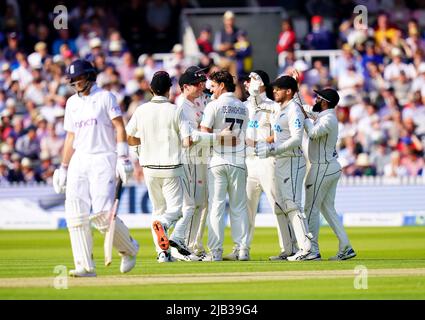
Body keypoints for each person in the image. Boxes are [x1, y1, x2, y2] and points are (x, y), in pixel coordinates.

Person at [126, 71, 234, 263]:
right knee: (179, 210)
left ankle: (162, 253)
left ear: (151, 89)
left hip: (148, 168)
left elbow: (130, 136)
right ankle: (169, 231)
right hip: (172, 166)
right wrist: (218, 137)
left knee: (158, 209)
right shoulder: (175, 110)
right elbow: (187, 141)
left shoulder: (141, 110)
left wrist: (139, 151)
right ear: (169, 89)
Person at [52, 59, 139, 277]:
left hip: (103, 157)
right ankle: (85, 266)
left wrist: (123, 158)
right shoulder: (72, 103)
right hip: (79, 159)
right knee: (75, 212)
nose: (75, 83)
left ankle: (129, 248)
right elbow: (70, 136)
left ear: (90, 76)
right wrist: (63, 166)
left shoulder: (105, 97)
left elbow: (120, 126)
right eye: (72, 80)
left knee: (102, 215)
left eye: (78, 78)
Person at [254, 75, 313, 261]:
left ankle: (307, 249)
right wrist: (255, 90)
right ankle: (289, 250)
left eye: (278, 89)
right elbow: (258, 104)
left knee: (293, 205)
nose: (274, 91)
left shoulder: (294, 110)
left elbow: (296, 139)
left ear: (289, 92)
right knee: (281, 205)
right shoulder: (278, 108)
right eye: (274, 89)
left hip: (293, 161)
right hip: (281, 161)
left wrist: (273, 149)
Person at [240, 70, 296, 261]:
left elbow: (277, 133)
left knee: (277, 205)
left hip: (267, 160)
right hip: (248, 161)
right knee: (246, 207)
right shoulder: (243, 105)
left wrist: (258, 143)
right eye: (247, 80)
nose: (247, 83)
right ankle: (242, 248)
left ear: (262, 83)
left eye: (252, 79)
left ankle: (288, 249)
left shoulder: (272, 106)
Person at [200, 70, 250, 261]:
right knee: (239, 207)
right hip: (238, 160)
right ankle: (242, 249)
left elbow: (205, 135)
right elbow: (243, 137)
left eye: (212, 86)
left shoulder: (214, 105)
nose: (210, 90)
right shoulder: (242, 107)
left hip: (218, 160)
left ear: (222, 85)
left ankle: (215, 252)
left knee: (216, 207)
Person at [302, 87, 356, 260]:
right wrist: (295, 89)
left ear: (325, 102)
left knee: (310, 209)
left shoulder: (329, 119)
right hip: (329, 167)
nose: (315, 101)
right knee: (328, 209)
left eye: (317, 98)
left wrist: (304, 119)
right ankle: (346, 246)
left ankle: (313, 250)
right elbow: (306, 109)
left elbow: (313, 132)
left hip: (322, 168)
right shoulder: (323, 115)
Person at [175, 66, 210, 258]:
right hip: (190, 157)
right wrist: (218, 138)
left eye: (202, 83)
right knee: (194, 203)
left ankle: (195, 245)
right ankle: (186, 246)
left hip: (202, 157)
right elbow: (189, 137)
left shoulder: (199, 101)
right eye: (197, 84)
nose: (201, 87)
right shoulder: (181, 106)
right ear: (185, 86)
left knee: (203, 203)